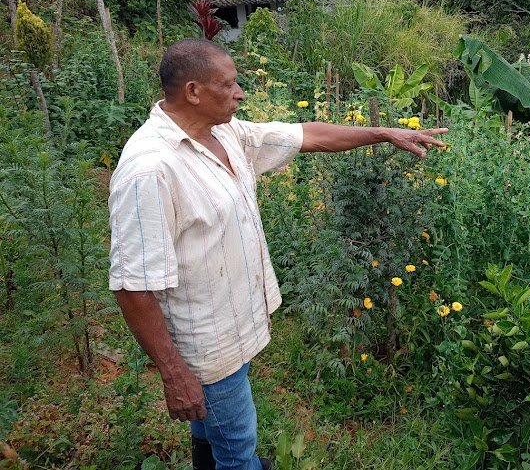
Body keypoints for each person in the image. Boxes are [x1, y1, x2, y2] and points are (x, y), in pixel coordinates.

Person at [108, 38, 446, 470]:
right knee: (238, 447)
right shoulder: (150, 169)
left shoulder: (225, 134)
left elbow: (307, 135)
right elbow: (132, 285)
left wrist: (382, 133)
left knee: (214, 433)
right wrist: (174, 373)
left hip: (233, 323)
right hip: (208, 345)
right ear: (193, 91)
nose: (240, 93)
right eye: (228, 85)